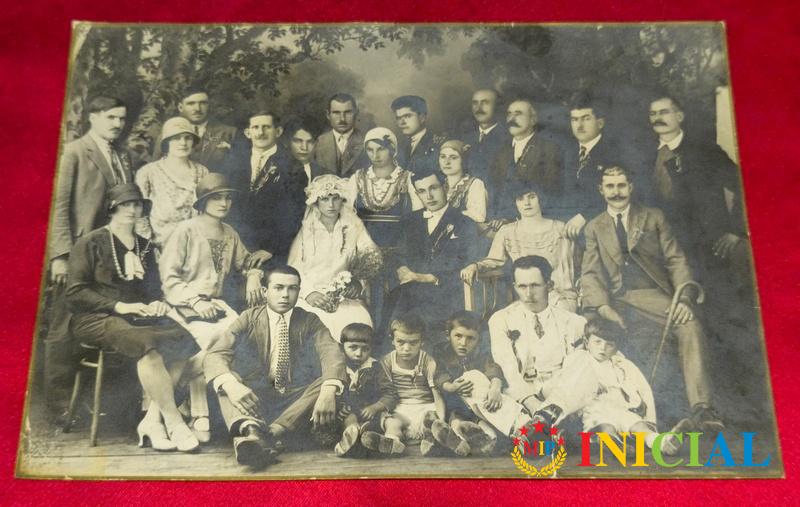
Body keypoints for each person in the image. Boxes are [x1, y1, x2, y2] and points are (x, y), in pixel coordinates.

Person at [581, 165, 724, 431]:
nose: (616, 192)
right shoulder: (594, 227)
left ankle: (702, 409)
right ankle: (620, 415)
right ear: (601, 190)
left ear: (631, 187)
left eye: (621, 185)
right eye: (610, 186)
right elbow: (590, 273)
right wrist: (602, 307)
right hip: (618, 300)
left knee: (690, 324)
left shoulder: (653, 218)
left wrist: (684, 299)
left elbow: (676, 259)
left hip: (655, 296)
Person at [66, 183, 200, 452]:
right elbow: (75, 293)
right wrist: (119, 306)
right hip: (95, 318)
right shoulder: (90, 242)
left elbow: (152, 291)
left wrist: (157, 303)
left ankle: (152, 420)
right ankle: (174, 422)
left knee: (182, 338)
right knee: (146, 344)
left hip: (136, 317)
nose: (131, 210)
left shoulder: (145, 247)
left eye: (136, 204)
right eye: (124, 205)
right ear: (111, 209)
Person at [159, 173, 271, 441]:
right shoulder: (186, 230)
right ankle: (199, 412)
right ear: (203, 201)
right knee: (211, 340)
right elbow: (169, 278)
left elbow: (246, 263)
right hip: (182, 303)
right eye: (216, 198)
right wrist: (195, 300)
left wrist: (254, 275)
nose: (224, 203)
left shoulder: (229, 232)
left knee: (243, 338)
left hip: (216, 305)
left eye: (228, 198)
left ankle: (188, 397)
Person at [203, 265, 345, 468]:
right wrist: (232, 385)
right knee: (226, 379)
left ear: (298, 291)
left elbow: (331, 352)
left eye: (292, 288)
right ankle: (251, 429)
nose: (285, 295)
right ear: (265, 291)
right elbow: (216, 354)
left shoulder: (309, 320)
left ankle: (270, 433)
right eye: (278, 288)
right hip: (255, 398)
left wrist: (328, 390)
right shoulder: (249, 317)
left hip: (294, 401)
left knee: (330, 380)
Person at [46, 95, 133, 414]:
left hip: (112, 254)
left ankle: (97, 401)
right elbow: (59, 206)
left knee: (107, 320)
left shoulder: (123, 155)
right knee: (64, 325)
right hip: (79, 253)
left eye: (121, 118)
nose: (117, 124)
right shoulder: (74, 152)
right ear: (93, 118)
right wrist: (60, 255)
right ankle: (59, 404)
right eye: (111, 117)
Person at [644, 95, 750, 302]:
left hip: (707, 245)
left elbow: (743, 184)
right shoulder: (644, 153)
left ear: (679, 116)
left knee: (717, 304)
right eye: (653, 114)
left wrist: (737, 230)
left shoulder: (705, 150)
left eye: (664, 112)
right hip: (666, 244)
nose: (658, 118)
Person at [529, 318, 680, 456]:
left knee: (637, 425)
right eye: (598, 342)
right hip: (595, 407)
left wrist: (642, 410)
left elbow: (639, 386)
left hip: (620, 407)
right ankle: (615, 445)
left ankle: (661, 442)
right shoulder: (581, 359)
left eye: (609, 344)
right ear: (586, 342)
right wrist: (593, 385)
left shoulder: (620, 365)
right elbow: (568, 381)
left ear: (616, 348)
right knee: (605, 427)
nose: (603, 348)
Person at [488, 255, 587, 417]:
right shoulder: (501, 319)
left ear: (549, 285)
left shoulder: (573, 321)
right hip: (520, 395)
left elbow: (575, 371)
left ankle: (549, 420)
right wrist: (531, 403)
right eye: (522, 286)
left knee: (584, 359)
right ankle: (541, 421)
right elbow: (508, 368)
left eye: (535, 285)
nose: (528, 293)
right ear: (514, 287)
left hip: (561, 393)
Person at [288, 174, 382, 341]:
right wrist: (309, 293)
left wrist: (358, 282)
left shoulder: (353, 225)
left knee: (358, 324)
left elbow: (371, 254)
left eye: (335, 198)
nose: (331, 205)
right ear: (316, 201)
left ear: (342, 200)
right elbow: (293, 267)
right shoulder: (306, 227)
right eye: (325, 199)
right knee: (313, 326)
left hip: (343, 296)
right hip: (310, 294)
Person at [461, 183, 577, 312]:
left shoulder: (559, 229)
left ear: (541, 198)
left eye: (532, 197)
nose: (527, 203)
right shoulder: (507, 231)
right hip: (526, 298)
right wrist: (475, 266)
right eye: (520, 199)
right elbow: (493, 260)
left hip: (559, 298)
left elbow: (568, 269)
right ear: (515, 203)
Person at [390, 170, 481, 330]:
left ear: (445, 187)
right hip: (409, 293)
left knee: (413, 322)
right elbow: (396, 254)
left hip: (446, 295)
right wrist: (401, 268)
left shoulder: (465, 223)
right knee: (394, 320)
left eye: (433, 188)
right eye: (422, 191)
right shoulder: (409, 221)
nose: (429, 196)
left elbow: (470, 261)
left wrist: (429, 278)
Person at [220, 111, 307, 262]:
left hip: (272, 250)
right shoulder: (233, 161)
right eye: (256, 127)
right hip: (233, 244)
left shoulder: (292, 166)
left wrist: (270, 249)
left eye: (266, 127)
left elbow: (294, 214)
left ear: (278, 131)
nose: (261, 133)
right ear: (248, 133)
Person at [360, 314, 446, 456]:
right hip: (400, 408)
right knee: (392, 423)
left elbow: (436, 393)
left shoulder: (427, 361)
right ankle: (392, 442)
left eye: (413, 343)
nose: (406, 348)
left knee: (431, 421)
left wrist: (442, 421)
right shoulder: (387, 362)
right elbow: (386, 391)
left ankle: (432, 443)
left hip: (425, 406)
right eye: (400, 342)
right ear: (392, 340)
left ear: (422, 342)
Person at [431, 311, 508, 456]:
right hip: (454, 399)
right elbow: (439, 373)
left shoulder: (482, 352)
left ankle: (486, 437)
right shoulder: (441, 351)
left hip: (477, 403)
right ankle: (457, 433)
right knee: (455, 415)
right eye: (458, 336)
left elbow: (493, 368)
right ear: (448, 335)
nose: (463, 343)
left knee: (484, 413)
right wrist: (451, 386)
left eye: (471, 338)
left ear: (478, 340)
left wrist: (495, 387)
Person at [135, 117, 209, 247]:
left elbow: (207, 213)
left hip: (194, 245)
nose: (183, 143)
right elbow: (139, 215)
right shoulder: (148, 173)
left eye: (188, 138)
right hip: (159, 246)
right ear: (166, 142)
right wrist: (148, 247)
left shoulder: (202, 172)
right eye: (176, 138)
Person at [487, 98, 563, 224]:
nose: (512, 119)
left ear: (533, 120)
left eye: (518, 114)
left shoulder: (549, 149)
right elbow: (494, 190)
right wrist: (496, 218)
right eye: (509, 114)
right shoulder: (501, 152)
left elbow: (552, 192)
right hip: (501, 222)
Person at [562, 95, 624, 239]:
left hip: (604, 228)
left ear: (600, 123)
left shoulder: (614, 153)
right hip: (568, 227)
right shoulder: (567, 152)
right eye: (574, 119)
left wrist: (584, 216)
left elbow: (616, 194)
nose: (579, 125)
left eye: (586, 119)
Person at [332, 323, 396, 458]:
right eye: (353, 347)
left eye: (365, 349)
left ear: (371, 349)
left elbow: (390, 393)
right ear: (342, 347)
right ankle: (351, 436)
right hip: (346, 414)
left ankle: (369, 439)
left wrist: (375, 407)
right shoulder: (337, 366)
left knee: (384, 421)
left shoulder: (376, 367)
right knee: (349, 418)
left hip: (370, 414)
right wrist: (340, 406)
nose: (358, 354)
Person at [152, 84, 236, 171]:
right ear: (180, 107)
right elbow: (155, 170)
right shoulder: (168, 133)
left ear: (209, 105)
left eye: (203, 103)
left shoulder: (230, 133)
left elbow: (238, 170)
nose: (197, 109)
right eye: (191, 103)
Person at [312, 93, 368, 177]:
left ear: (356, 113)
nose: (342, 119)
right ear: (328, 115)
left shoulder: (366, 141)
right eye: (336, 113)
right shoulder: (318, 143)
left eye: (348, 112)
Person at [460, 89, 510, 182]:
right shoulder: (465, 138)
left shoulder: (508, 138)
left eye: (485, 102)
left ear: (497, 106)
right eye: (475, 103)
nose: (478, 108)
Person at [437, 139, 488, 224]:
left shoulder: (475, 184)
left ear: (463, 160)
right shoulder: (439, 184)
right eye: (443, 157)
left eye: (453, 157)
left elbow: (479, 217)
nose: (446, 162)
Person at [391, 95, 443, 174]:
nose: (402, 122)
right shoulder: (399, 145)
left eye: (407, 116)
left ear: (422, 117)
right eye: (398, 118)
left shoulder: (438, 143)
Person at [284, 120, 325, 184]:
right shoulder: (277, 171)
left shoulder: (325, 174)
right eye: (298, 141)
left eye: (310, 142)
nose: (304, 148)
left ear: (316, 143)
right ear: (287, 142)